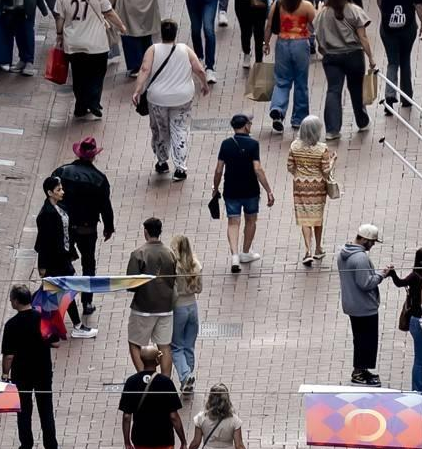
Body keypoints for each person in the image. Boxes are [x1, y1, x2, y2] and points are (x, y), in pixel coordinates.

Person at [52, 137, 115, 335]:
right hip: (87, 227)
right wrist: (108, 226)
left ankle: (63, 298)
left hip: (66, 225)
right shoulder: (99, 178)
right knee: (89, 263)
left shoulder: (62, 172)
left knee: (64, 262)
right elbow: (106, 205)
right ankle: (87, 302)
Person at [133, 21, 209, 179]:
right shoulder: (184, 49)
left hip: (158, 98)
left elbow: (145, 69)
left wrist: (138, 89)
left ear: (161, 33)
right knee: (180, 129)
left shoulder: (153, 50)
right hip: (183, 97)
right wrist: (204, 84)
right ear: (175, 33)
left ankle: (162, 161)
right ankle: (180, 168)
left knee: (161, 129)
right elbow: (199, 69)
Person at [53, 0, 124, 120]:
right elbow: (109, 12)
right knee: (97, 74)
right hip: (96, 43)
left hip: (73, 43)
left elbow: (59, 17)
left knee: (78, 75)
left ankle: (80, 105)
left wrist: (59, 35)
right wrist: (121, 26)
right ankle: (93, 101)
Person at [0, 285, 59, 449]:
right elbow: (55, 343)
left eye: (11, 299)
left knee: (24, 412)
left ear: (17, 301)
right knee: (46, 410)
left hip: (22, 374)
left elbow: (8, 356)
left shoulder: (11, 325)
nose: (11, 302)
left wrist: (4, 374)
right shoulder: (43, 318)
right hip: (42, 371)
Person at [316, 0, 375, 137]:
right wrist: (370, 57)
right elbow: (363, 37)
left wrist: (323, 50)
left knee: (333, 90)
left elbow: (317, 34)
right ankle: (362, 121)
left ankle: (332, 129)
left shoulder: (323, 13)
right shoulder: (355, 10)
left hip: (331, 56)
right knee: (355, 89)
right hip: (353, 55)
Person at [214, 114, 275, 272]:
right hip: (250, 189)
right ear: (246, 126)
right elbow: (258, 169)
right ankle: (245, 252)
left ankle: (234, 256)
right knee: (250, 220)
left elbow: (219, 169)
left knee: (233, 222)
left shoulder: (226, 144)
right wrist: (268, 190)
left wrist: (215, 187)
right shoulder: (253, 144)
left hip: (231, 189)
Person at [125, 218, 180, 374]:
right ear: (160, 231)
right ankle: (165, 382)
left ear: (146, 232)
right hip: (166, 307)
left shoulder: (138, 254)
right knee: (164, 345)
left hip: (143, 308)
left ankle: (144, 377)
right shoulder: (170, 253)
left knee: (134, 342)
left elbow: (131, 285)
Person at [374, 0, 422, 115]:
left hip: (388, 27)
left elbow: (379, 0)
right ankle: (406, 96)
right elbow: (418, 5)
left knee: (392, 61)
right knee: (405, 59)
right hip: (407, 26)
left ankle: (389, 96)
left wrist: (385, 14)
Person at [337, 223, 388, 384]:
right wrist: (382, 274)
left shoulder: (343, 254)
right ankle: (359, 372)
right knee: (367, 341)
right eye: (372, 241)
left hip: (352, 304)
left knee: (360, 339)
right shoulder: (360, 258)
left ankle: (362, 369)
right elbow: (366, 283)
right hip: (364, 306)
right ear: (365, 239)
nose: (373, 245)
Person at [267, 0, 317, 133]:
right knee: (301, 82)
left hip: (282, 43)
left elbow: (269, 24)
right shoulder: (306, 6)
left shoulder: (279, 3)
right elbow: (316, 25)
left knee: (282, 80)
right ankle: (299, 118)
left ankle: (278, 110)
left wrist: (265, 43)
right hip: (301, 44)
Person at [286, 116, 337, 266]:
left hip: (300, 186)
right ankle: (318, 248)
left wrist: (299, 174)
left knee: (304, 218)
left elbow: (290, 166)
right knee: (317, 216)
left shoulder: (294, 146)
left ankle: (307, 250)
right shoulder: (322, 148)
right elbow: (326, 171)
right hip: (318, 187)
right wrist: (334, 160)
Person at [34, 176, 80, 319]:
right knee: (64, 290)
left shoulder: (61, 207)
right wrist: (42, 265)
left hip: (63, 257)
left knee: (59, 291)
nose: (62, 192)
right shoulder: (46, 214)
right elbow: (43, 242)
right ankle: (76, 324)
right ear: (50, 192)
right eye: (58, 190)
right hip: (55, 260)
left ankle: (47, 322)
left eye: (61, 189)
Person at [395, 243, 422, 391]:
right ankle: (419, 392)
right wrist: (392, 274)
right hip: (419, 321)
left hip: (420, 320)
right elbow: (400, 283)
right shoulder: (416, 276)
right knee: (421, 360)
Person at [168, 234, 203, 392]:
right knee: (189, 345)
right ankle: (188, 380)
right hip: (193, 306)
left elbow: (173, 292)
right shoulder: (195, 265)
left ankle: (185, 375)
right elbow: (200, 289)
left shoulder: (174, 267)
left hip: (179, 307)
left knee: (176, 346)